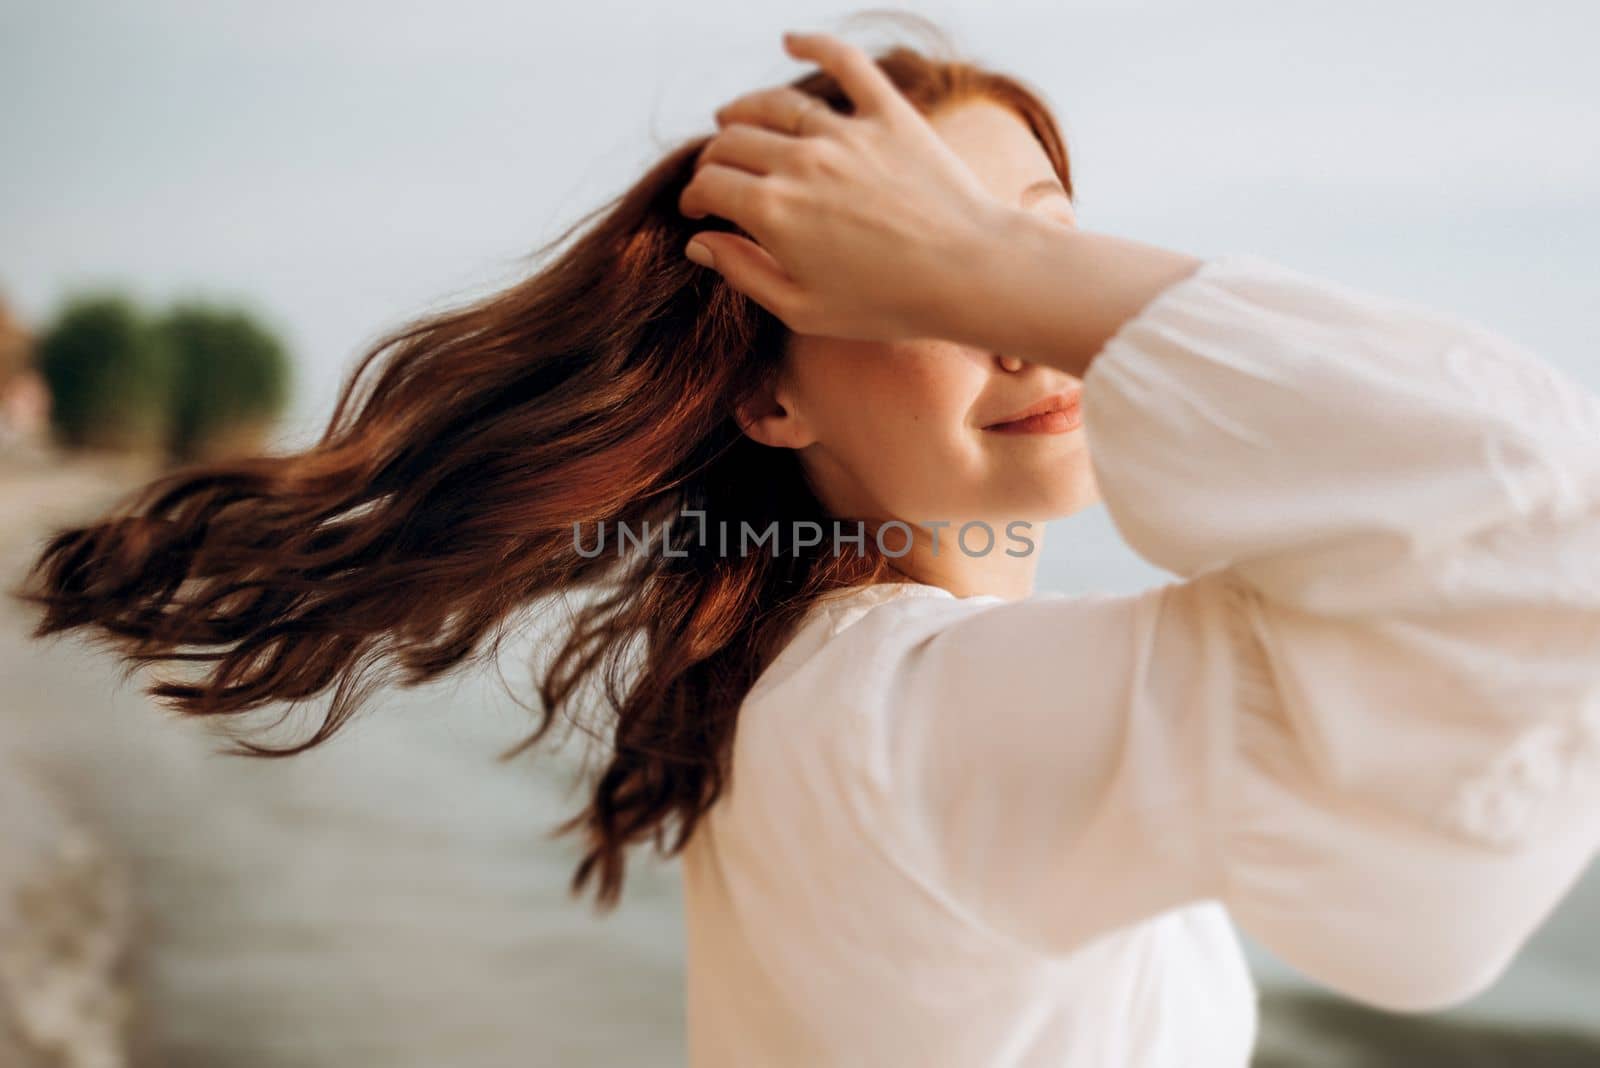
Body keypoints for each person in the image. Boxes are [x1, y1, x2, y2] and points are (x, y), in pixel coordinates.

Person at [13, 23, 1599, 1068]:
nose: (1027, 328)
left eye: (1044, 249)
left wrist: (980, 267)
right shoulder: (903, 715)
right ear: (765, 390)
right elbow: (1539, 540)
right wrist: (1007, 265)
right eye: (933, 276)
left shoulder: (842, 692)